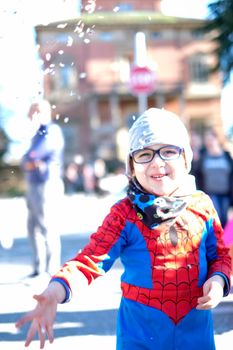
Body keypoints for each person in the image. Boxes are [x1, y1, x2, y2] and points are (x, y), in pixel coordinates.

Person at [16, 108, 231, 350]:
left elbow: (220, 256)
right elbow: (90, 259)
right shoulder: (124, 213)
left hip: (195, 336)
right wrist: (54, 291)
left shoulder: (202, 205)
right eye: (144, 154)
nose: (157, 162)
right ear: (131, 165)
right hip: (139, 336)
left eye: (168, 151)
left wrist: (218, 280)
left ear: (185, 158)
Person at [21, 99, 65, 278]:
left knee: (47, 225)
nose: (30, 117)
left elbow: (32, 156)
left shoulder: (50, 131)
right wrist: (28, 161)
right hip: (35, 182)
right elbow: (26, 160)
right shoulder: (36, 134)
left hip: (46, 183)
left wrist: (29, 160)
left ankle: (51, 269)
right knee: (33, 227)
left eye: (33, 112)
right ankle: (39, 268)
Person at [196, 128, 233, 228]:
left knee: (225, 220)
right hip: (210, 194)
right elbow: (198, 174)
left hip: (225, 194)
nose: (208, 141)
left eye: (210, 138)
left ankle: (224, 242)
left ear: (216, 138)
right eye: (206, 139)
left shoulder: (226, 155)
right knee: (216, 220)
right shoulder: (203, 155)